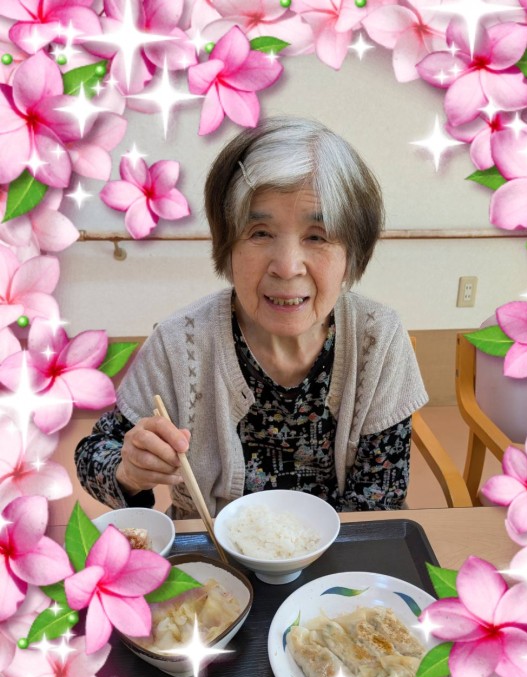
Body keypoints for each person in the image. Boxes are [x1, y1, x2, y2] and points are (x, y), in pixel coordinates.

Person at [76, 117, 428, 519]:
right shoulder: (179, 344)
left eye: (317, 236)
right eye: (260, 232)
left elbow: (380, 501)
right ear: (228, 245)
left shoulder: (378, 339)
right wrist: (128, 471)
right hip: (210, 552)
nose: (287, 267)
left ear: (352, 253)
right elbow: (94, 453)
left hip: (338, 553)